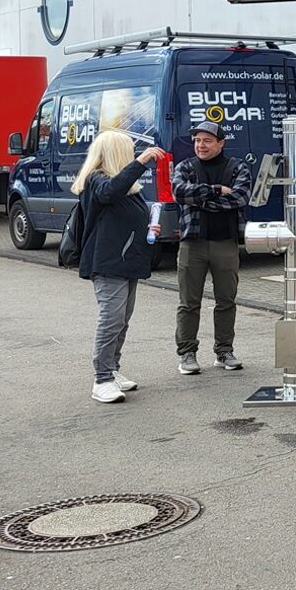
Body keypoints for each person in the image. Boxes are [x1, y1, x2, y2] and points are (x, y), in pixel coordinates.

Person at [72, 130, 168, 403]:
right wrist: (140, 162)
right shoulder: (97, 180)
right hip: (108, 262)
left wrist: (149, 226)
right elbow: (109, 193)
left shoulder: (125, 187)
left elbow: (122, 213)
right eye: (128, 151)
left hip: (127, 261)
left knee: (121, 320)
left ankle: (112, 369)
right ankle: (101, 379)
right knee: (111, 320)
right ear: (117, 153)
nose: (132, 155)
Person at [171, 121, 252, 375]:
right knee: (188, 302)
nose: (200, 145)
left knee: (226, 300)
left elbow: (240, 198)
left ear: (221, 143)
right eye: (197, 141)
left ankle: (224, 351)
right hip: (192, 244)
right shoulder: (185, 167)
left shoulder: (238, 167)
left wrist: (200, 200)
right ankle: (187, 354)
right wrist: (217, 191)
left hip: (226, 244)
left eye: (207, 140)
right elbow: (179, 192)